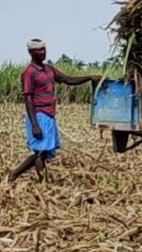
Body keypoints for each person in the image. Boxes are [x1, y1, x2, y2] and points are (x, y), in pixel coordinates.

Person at [9, 39, 102, 182]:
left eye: (44, 49)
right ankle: (24, 176)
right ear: (31, 52)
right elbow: (28, 99)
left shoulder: (49, 69)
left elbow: (68, 80)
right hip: (38, 114)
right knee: (40, 151)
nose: (43, 52)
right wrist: (35, 125)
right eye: (39, 50)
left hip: (49, 114)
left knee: (45, 151)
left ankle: (39, 178)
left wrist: (89, 77)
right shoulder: (29, 73)